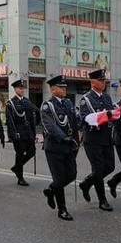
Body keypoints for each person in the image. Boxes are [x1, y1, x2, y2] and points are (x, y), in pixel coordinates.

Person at [40, 75, 79, 221]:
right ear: (53, 89)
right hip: (55, 147)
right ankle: (62, 209)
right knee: (59, 178)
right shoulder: (47, 106)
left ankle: (51, 190)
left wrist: (76, 140)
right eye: (61, 87)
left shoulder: (68, 103)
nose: (64, 89)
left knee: (72, 174)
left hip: (69, 146)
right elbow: (50, 126)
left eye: (65, 87)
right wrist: (64, 138)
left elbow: (74, 123)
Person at [79, 68, 117, 211]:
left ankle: (87, 183)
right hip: (93, 139)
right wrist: (104, 116)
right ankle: (102, 200)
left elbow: (111, 114)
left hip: (106, 138)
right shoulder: (86, 99)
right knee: (99, 169)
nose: (104, 83)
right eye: (101, 80)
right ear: (92, 82)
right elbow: (85, 118)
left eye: (104, 80)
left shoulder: (106, 98)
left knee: (110, 167)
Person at [6, 79, 37, 186]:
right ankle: (20, 178)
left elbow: (32, 119)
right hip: (18, 133)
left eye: (23, 88)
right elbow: (10, 121)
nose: (22, 90)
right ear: (15, 89)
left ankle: (16, 167)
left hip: (28, 133)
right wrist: (13, 134)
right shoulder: (11, 103)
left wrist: (34, 134)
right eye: (20, 88)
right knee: (19, 154)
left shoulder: (27, 101)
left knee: (32, 152)